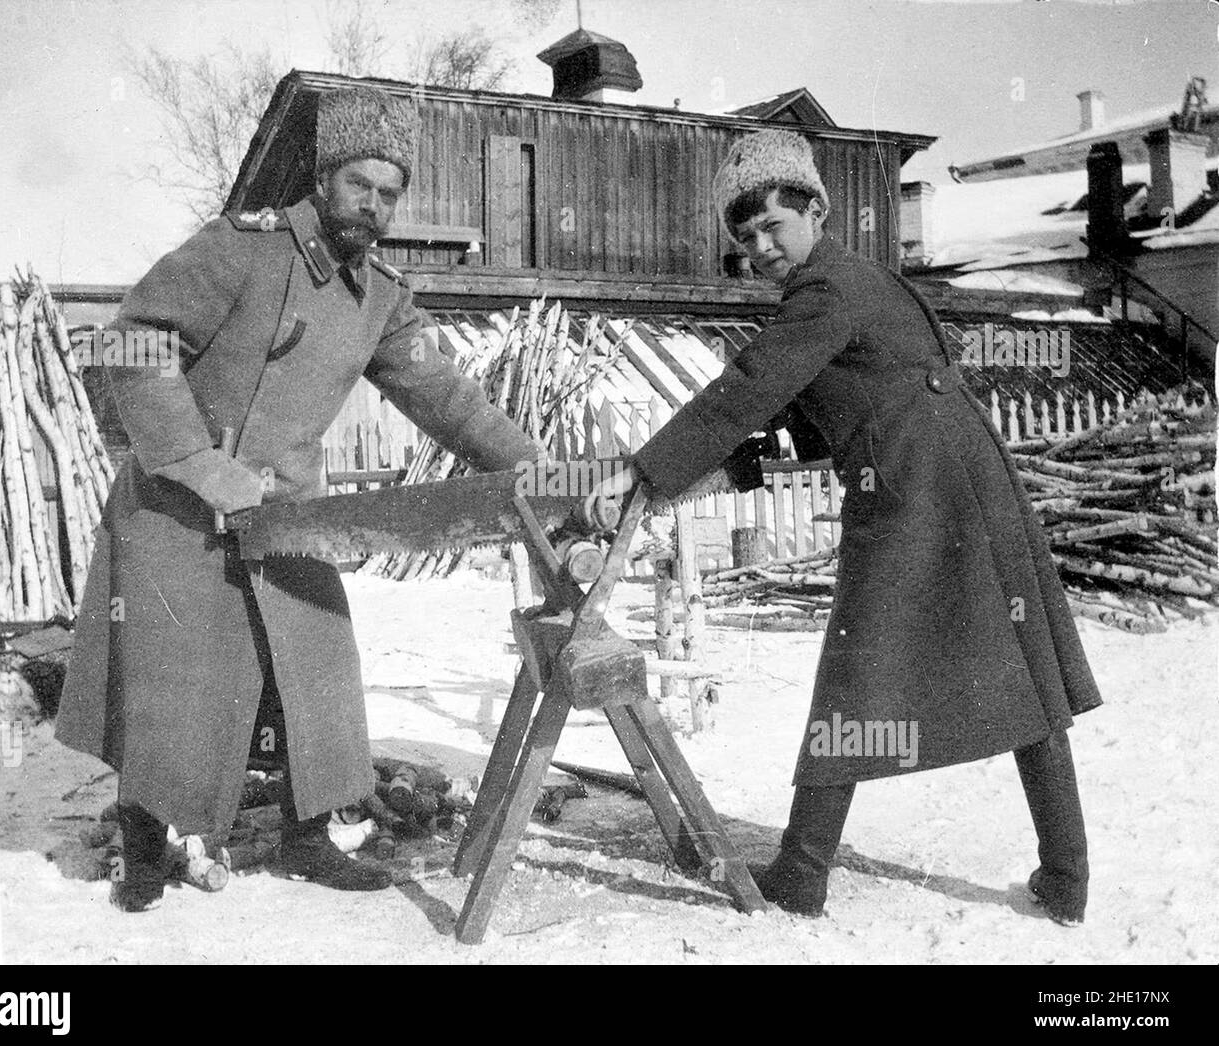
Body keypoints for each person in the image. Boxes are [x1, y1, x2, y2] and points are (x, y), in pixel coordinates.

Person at [591, 129, 1100, 926]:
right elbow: (814, 411)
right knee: (1018, 667)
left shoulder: (821, 293)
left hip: (920, 492)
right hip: (953, 480)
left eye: (773, 228)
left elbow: (751, 386)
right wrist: (713, 473)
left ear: (816, 211)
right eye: (746, 237)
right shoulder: (852, 283)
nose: (762, 247)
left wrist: (649, 469)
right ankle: (1064, 875)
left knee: (861, 667)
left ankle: (802, 872)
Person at [56, 86, 543, 911]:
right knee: (170, 681)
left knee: (313, 663)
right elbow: (134, 340)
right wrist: (198, 460)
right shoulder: (241, 249)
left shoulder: (381, 298)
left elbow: (449, 399)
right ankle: (143, 847)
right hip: (179, 505)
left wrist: (542, 472)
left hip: (286, 514)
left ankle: (309, 835)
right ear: (324, 178)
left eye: (391, 193)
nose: (375, 206)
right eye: (362, 185)